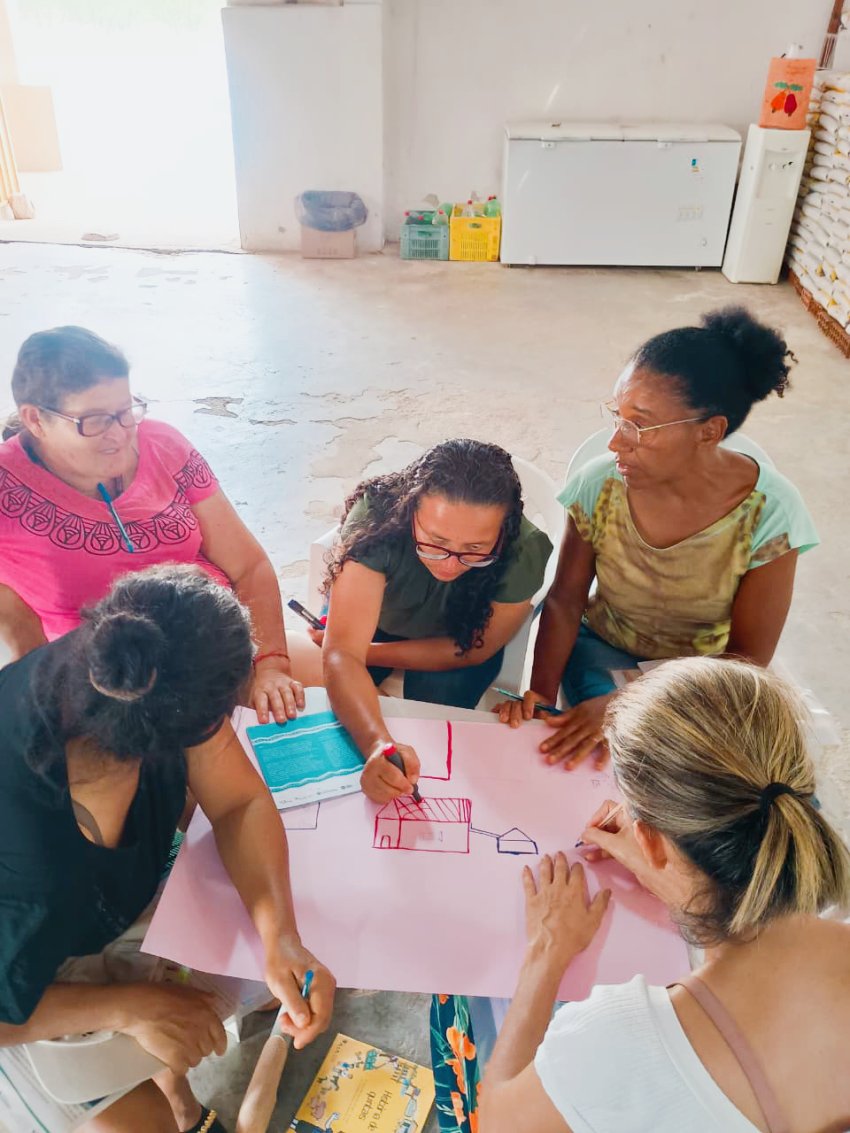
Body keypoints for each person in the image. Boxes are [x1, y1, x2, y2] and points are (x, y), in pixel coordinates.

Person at [0, 564, 335, 1133]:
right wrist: (132, 1007)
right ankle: (161, 1084)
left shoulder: (122, 670)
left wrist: (280, 934)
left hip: (96, 915)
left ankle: (173, 1085)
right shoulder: (31, 867)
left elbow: (239, 804)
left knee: (308, 922)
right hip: (27, 987)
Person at [481, 657, 850, 1133]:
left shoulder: (620, 1043)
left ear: (649, 840)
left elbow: (495, 1121)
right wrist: (680, 879)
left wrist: (545, 953)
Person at [498, 307, 819, 769]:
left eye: (640, 425)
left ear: (710, 432)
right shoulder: (601, 485)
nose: (616, 443)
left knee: (738, 780)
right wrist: (542, 699)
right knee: (615, 763)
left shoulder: (770, 513)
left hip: (705, 673)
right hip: (603, 649)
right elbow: (567, 600)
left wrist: (623, 704)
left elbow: (745, 661)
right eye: (617, 415)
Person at [0, 326, 320, 725]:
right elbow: (16, 622)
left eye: (125, 411)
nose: (120, 434)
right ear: (35, 419)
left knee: (336, 685)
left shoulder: (163, 445)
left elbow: (248, 566)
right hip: (113, 682)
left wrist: (272, 664)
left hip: (217, 642)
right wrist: (38, 688)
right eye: (96, 420)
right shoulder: (6, 488)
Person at [317, 439, 553, 802]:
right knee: (325, 704)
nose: (448, 564)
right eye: (434, 541)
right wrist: (378, 744)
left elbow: (471, 651)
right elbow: (340, 655)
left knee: (435, 714)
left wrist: (364, 653)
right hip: (373, 618)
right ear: (410, 510)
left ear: (504, 532)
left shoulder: (525, 549)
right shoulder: (376, 520)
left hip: (457, 637)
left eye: (475, 550)